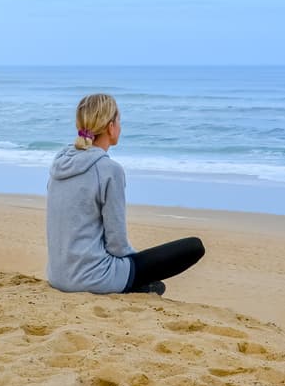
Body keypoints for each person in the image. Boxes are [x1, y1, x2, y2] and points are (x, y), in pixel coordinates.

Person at [45, 93, 205, 295]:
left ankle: (139, 286)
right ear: (110, 127)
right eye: (119, 120)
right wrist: (137, 267)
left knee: (154, 285)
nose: (120, 126)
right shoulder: (109, 170)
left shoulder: (60, 164)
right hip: (91, 279)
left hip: (58, 276)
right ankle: (134, 284)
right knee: (194, 247)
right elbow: (117, 244)